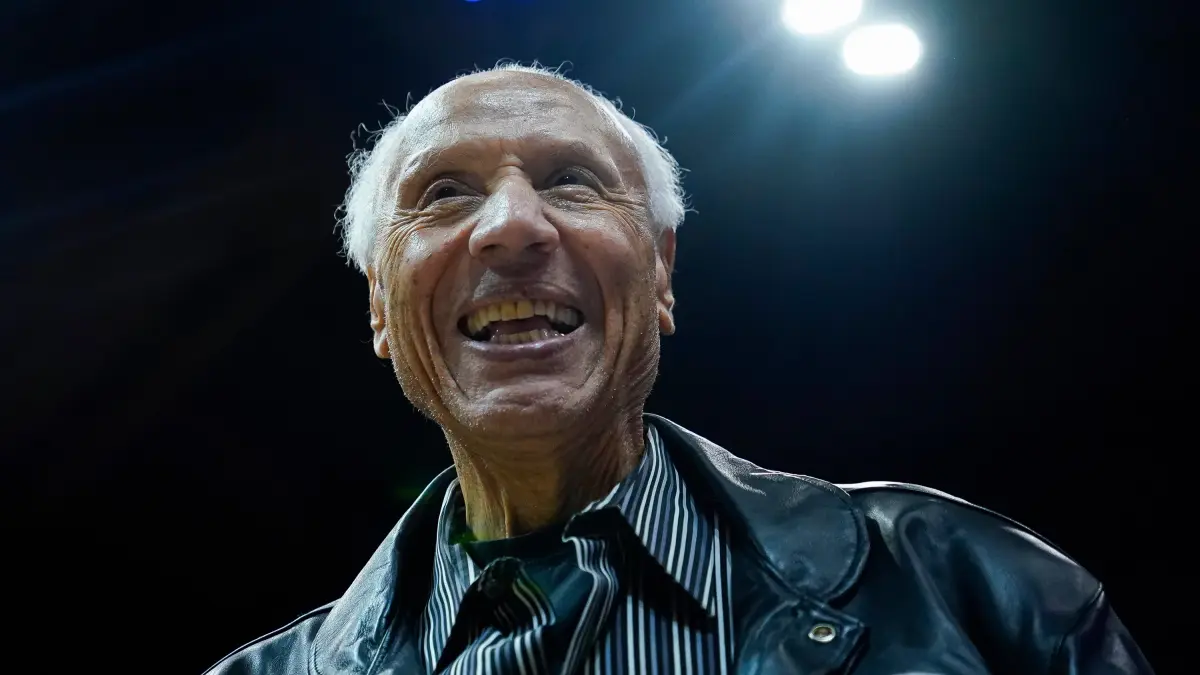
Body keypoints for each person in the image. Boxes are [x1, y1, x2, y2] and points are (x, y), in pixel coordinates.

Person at [205, 64, 1153, 674]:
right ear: (380, 305)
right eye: (444, 193)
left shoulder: (973, 587)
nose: (512, 224)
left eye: (572, 180)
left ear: (660, 272)